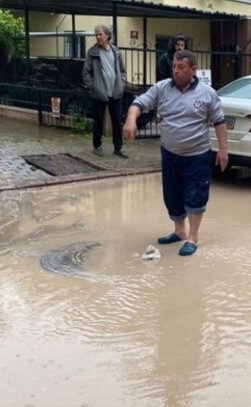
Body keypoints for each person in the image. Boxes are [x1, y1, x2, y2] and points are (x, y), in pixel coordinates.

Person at [123, 50, 228, 257]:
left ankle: (193, 237)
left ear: (193, 70)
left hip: (197, 156)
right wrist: (131, 119)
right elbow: (139, 103)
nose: (176, 71)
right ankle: (180, 231)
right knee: (172, 196)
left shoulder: (207, 93)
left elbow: (220, 122)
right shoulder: (162, 88)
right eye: (174, 67)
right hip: (170, 154)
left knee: (195, 196)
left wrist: (223, 150)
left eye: (181, 68)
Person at [82, 24, 128, 158]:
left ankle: (118, 148)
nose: (97, 37)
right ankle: (97, 146)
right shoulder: (92, 52)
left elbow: (122, 71)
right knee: (98, 121)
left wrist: (121, 84)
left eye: (100, 34)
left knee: (117, 121)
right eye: (96, 34)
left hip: (115, 92)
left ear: (107, 36)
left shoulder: (116, 52)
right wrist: (94, 86)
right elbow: (86, 73)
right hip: (100, 92)